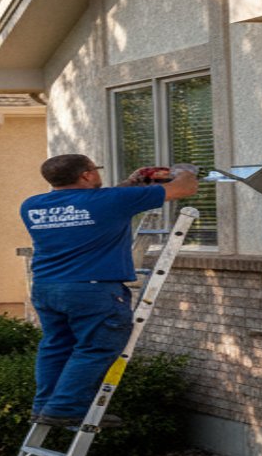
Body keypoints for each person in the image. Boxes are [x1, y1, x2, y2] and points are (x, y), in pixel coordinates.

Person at [21, 154, 198, 428]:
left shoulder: (32, 205)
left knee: (55, 346)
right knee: (97, 346)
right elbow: (185, 188)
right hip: (92, 290)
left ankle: (43, 407)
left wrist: (132, 183)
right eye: (95, 170)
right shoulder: (110, 201)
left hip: (47, 287)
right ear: (87, 175)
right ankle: (66, 407)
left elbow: (95, 203)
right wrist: (184, 171)